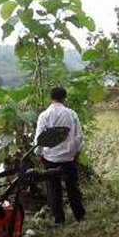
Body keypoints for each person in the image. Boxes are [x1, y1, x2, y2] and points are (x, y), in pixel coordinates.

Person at [35, 87, 86, 226]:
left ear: (51, 98)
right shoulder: (71, 114)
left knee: (53, 189)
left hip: (50, 158)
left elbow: (39, 139)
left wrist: (40, 155)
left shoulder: (44, 115)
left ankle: (59, 220)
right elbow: (79, 136)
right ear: (64, 98)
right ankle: (80, 215)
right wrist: (75, 152)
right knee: (72, 187)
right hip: (69, 158)